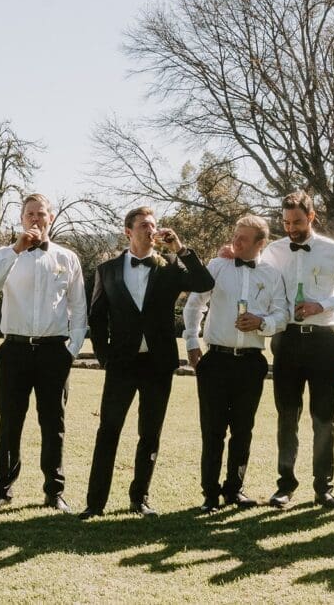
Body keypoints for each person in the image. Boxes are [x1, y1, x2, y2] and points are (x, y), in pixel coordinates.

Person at [78, 207, 213, 519]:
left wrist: (180, 248)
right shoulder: (107, 270)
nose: (150, 230)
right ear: (128, 231)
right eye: (143, 225)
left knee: (150, 433)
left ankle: (139, 499)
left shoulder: (170, 267)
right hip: (121, 363)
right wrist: (104, 355)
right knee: (108, 430)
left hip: (158, 363)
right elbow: (96, 316)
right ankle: (95, 503)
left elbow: (204, 282)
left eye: (153, 225)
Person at [0, 194, 86, 514]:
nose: (35, 219)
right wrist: (16, 249)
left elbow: (78, 306)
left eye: (41, 214)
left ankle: (54, 491)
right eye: (30, 214)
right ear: (22, 218)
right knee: (10, 421)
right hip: (14, 349)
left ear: (50, 218)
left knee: (53, 423)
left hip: (54, 351)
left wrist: (72, 350)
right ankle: (2, 491)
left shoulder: (67, 258)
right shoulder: (5, 254)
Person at [183, 215, 287, 512]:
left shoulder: (271, 275)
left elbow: (282, 315)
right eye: (235, 236)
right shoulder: (217, 266)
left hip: (251, 363)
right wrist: (191, 341)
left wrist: (261, 322)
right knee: (212, 430)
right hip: (215, 359)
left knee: (243, 430)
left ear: (260, 243)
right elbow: (195, 304)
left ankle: (234, 490)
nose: (235, 242)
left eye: (243, 238)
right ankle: (209, 493)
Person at [260, 191, 334, 509]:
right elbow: (259, 284)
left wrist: (321, 305)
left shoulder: (333, 250)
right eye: (286, 223)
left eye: (297, 222)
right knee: (287, 415)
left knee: (324, 417)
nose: (291, 228)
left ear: (311, 217)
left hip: (323, 340)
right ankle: (285, 486)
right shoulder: (273, 251)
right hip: (286, 339)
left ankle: (323, 488)